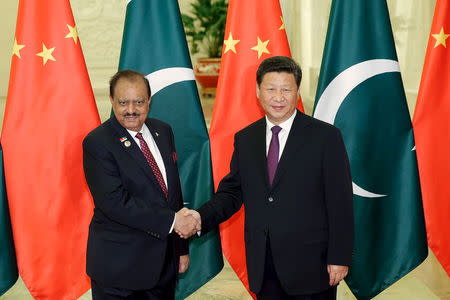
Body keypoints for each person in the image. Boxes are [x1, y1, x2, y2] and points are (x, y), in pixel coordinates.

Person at [181, 56, 354, 300]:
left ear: (297, 92)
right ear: (257, 91)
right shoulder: (246, 139)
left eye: (286, 89)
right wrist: (199, 217)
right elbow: (231, 193)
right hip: (264, 265)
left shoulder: (325, 137)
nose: (278, 97)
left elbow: (340, 202)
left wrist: (339, 257)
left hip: (312, 267)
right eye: (271, 89)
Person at [82, 70, 200, 300]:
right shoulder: (97, 143)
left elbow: (172, 194)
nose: (131, 110)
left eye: (139, 102)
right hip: (119, 271)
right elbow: (114, 203)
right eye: (123, 102)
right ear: (112, 100)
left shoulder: (163, 131)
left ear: (149, 101)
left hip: (163, 267)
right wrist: (174, 221)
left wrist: (180, 249)